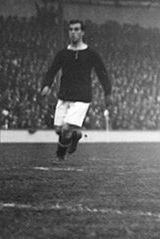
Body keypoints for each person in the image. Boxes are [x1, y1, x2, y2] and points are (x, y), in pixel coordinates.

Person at [40, 20, 112, 162]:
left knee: (66, 128)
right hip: (65, 95)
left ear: (82, 32)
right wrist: (46, 85)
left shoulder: (91, 54)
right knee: (59, 130)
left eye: (76, 29)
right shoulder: (63, 53)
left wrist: (107, 92)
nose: (73, 32)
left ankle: (60, 156)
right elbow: (52, 70)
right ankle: (76, 135)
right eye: (71, 29)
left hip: (82, 97)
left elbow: (102, 73)